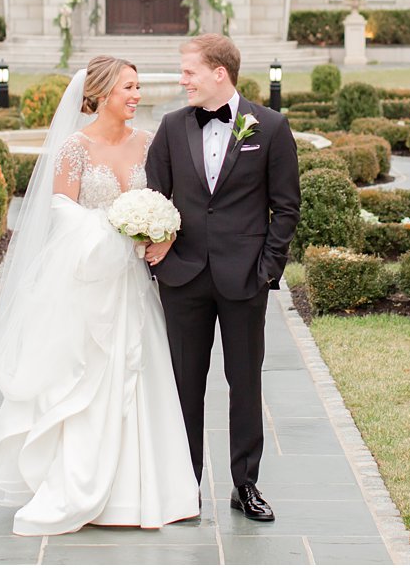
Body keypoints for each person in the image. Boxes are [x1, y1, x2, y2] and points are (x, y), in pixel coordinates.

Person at [0, 57, 200, 536]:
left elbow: (169, 202)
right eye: (129, 87)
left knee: (140, 372)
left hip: (134, 285)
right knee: (87, 380)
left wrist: (158, 229)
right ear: (102, 93)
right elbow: (63, 214)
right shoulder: (73, 150)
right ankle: (81, 488)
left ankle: (149, 492)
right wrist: (116, 231)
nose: (137, 95)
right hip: (89, 283)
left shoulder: (150, 144)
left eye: (138, 86)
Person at [144, 34, 301, 523]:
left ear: (219, 73)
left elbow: (287, 206)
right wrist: (161, 256)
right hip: (183, 279)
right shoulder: (170, 128)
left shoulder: (270, 127)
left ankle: (245, 484)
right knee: (184, 385)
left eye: (188, 71)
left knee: (245, 383)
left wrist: (267, 270)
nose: (181, 80)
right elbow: (154, 197)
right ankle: (184, 484)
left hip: (244, 280)